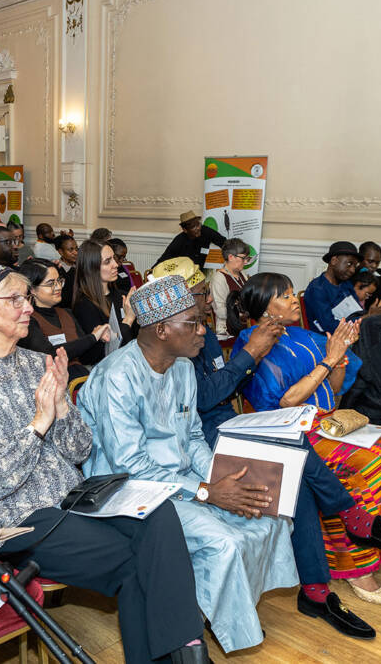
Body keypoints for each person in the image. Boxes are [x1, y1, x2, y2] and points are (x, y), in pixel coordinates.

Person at [0, 263, 210, 664]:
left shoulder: (38, 364)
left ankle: (187, 650)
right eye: (14, 299)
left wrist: (62, 406)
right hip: (18, 521)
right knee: (139, 563)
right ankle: (190, 654)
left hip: (76, 500)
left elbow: (81, 449)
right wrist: (37, 425)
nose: (27, 307)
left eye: (27, 298)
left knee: (160, 514)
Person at [167, 258, 381, 638]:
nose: (207, 302)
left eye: (204, 295)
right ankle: (351, 525)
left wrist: (328, 357)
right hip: (207, 435)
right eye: (199, 296)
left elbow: (230, 391)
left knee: (298, 476)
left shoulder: (203, 334)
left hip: (232, 424)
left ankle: (317, 591)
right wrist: (251, 353)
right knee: (293, 447)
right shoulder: (177, 341)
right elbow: (204, 398)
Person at [77, 275, 300, 652]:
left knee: (267, 513)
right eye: (193, 323)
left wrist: (219, 473)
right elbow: (130, 466)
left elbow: (193, 436)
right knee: (222, 541)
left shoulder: (181, 366)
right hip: (129, 490)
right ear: (161, 329)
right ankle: (193, 634)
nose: (203, 332)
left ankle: (219, 607)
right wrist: (207, 492)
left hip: (179, 479)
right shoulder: (118, 377)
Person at [235, 273, 381, 607]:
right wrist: (329, 359)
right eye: (284, 296)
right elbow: (286, 402)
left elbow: (336, 391)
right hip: (288, 432)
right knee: (367, 465)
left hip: (326, 422)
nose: (293, 300)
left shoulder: (300, 334)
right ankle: (357, 566)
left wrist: (339, 358)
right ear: (263, 307)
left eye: (290, 293)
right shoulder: (252, 343)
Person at [17, 258, 110, 378]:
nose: (58, 287)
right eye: (51, 283)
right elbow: (49, 355)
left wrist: (100, 340)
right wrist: (92, 337)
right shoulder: (28, 320)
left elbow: (85, 356)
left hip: (81, 377)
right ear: (32, 289)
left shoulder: (66, 313)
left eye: (59, 281)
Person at [303, 240, 381, 334]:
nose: (352, 270)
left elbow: (356, 313)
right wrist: (369, 316)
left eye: (355, 266)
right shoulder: (317, 289)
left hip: (353, 333)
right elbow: (331, 327)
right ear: (334, 261)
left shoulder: (346, 284)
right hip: (330, 340)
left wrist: (371, 312)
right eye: (349, 264)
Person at [72, 239, 135, 363]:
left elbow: (133, 339)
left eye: (114, 258)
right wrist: (128, 320)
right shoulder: (84, 305)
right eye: (107, 261)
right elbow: (102, 354)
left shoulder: (119, 295)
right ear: (92, 268)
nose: (116, 265)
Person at [153, 210, 225, 269]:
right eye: (193, 227)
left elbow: (224, 242)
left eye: (198, 224)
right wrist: (150, 273)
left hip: (200, 273)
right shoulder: (179, 241)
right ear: (185, 230)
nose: (198, 228)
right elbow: (164, 259)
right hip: (183, 274)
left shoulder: (205, 231)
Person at [209, 237, 251, 336]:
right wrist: (241, 314)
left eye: (247, 258)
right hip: (228, 329)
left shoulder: (242, 274)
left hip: (244, 323)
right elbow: (220, 312)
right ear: (231, 257)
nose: (245, 262)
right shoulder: (219, 278)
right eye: (243, 258)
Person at [54, 233, 78, 303]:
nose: (75, 253)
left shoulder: (80, 266)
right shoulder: (58, 271)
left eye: (76, 249)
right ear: (61, 252)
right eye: (71, 250)